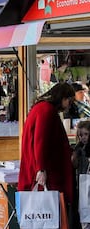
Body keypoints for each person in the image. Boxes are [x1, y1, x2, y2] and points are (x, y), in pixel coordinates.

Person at [18, 83, 75, 219]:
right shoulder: (46, 110)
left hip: (39, 167)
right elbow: (40, 141)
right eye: (69, 101)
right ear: (62, 98)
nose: (68, 105)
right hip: (46, 171)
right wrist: (41, 169)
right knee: (50, 213)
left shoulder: (41, 108)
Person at [72, 120, 90, 229]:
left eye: (86, 134)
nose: (83, 137)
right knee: (84, 213)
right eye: (80, 135)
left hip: (85, 183)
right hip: (82, 185)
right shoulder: (78, 149)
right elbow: (75, 165)